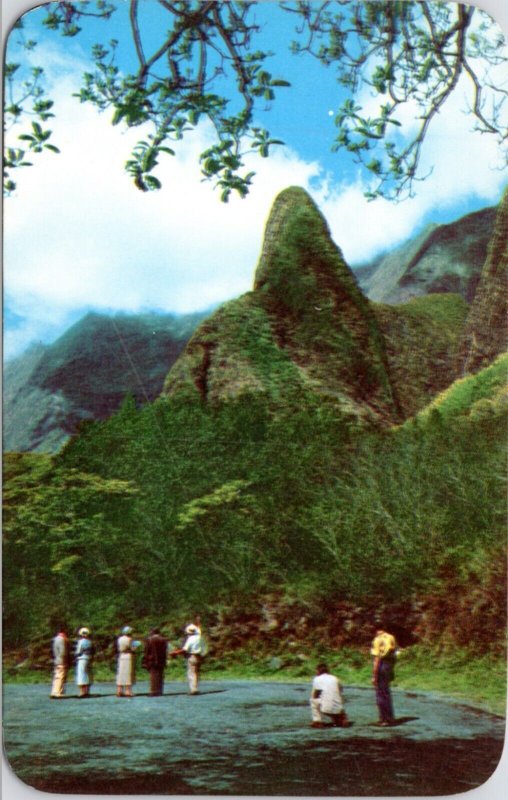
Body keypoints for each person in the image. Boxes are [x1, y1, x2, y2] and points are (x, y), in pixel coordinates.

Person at [371, 627, 398, 726]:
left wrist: (374, 675)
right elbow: (395, 654)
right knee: (386, 693)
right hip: (389, 665)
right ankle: (390, 718)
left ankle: (384, 719)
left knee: (380, 694)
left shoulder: (377, 640)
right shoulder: (391, 637)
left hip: (381, 665)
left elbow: (376, 659)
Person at [171, 623, 208, 695]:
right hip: (199, 656)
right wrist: (203, 655)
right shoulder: (200, 637)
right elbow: (205, 648)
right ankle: (195, 687)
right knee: (196, 672)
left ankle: (193, 689)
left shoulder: (190, 639)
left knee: (191, 673)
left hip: (192, 656)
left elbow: (185, 649)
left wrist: (175, 653)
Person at [310, 663, 348, 728]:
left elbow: (315, 695)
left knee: (313, 700)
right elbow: (340, 690)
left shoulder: (317, 679)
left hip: (326, 709)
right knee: (336, 697)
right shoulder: (335, 678)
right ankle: (340, 718)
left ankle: (317, 721)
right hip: (338, 708)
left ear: (318, 671)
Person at [142, 627, 168, 696]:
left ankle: (153, 691)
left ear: (152, 632)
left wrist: (145, 659)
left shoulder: (149, 639)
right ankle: (160, 690)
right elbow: (165, 650)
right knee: (160, 675)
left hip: (152, 659)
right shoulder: (164, 640)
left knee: (153, 675)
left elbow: (147, 650)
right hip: (161, 659)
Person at [116, 626, 138, 697]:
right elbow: (133, 649)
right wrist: (136, 646)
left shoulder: (119, 639)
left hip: (121, 656)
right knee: (128, 674)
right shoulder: (130, 639)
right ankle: (128, 691)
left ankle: (119, 690)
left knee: (121, 674)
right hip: (128, 656)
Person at [50, 626, 70, 699]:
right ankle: (58, 692)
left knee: (57, 676)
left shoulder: (55, 639)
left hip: (56, 659)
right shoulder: (62, 639)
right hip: (61, 660)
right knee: (61, 676)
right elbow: (63, 651)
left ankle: (54, 691)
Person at [75, 627, 94, 698]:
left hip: (82, 658)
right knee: (87, 675)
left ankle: (82, 692)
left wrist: (76, 655)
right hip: (88, 658)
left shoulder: (81, 641)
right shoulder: (89, 642)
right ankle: (87, 691)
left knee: (81, 675)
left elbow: (78, 651)